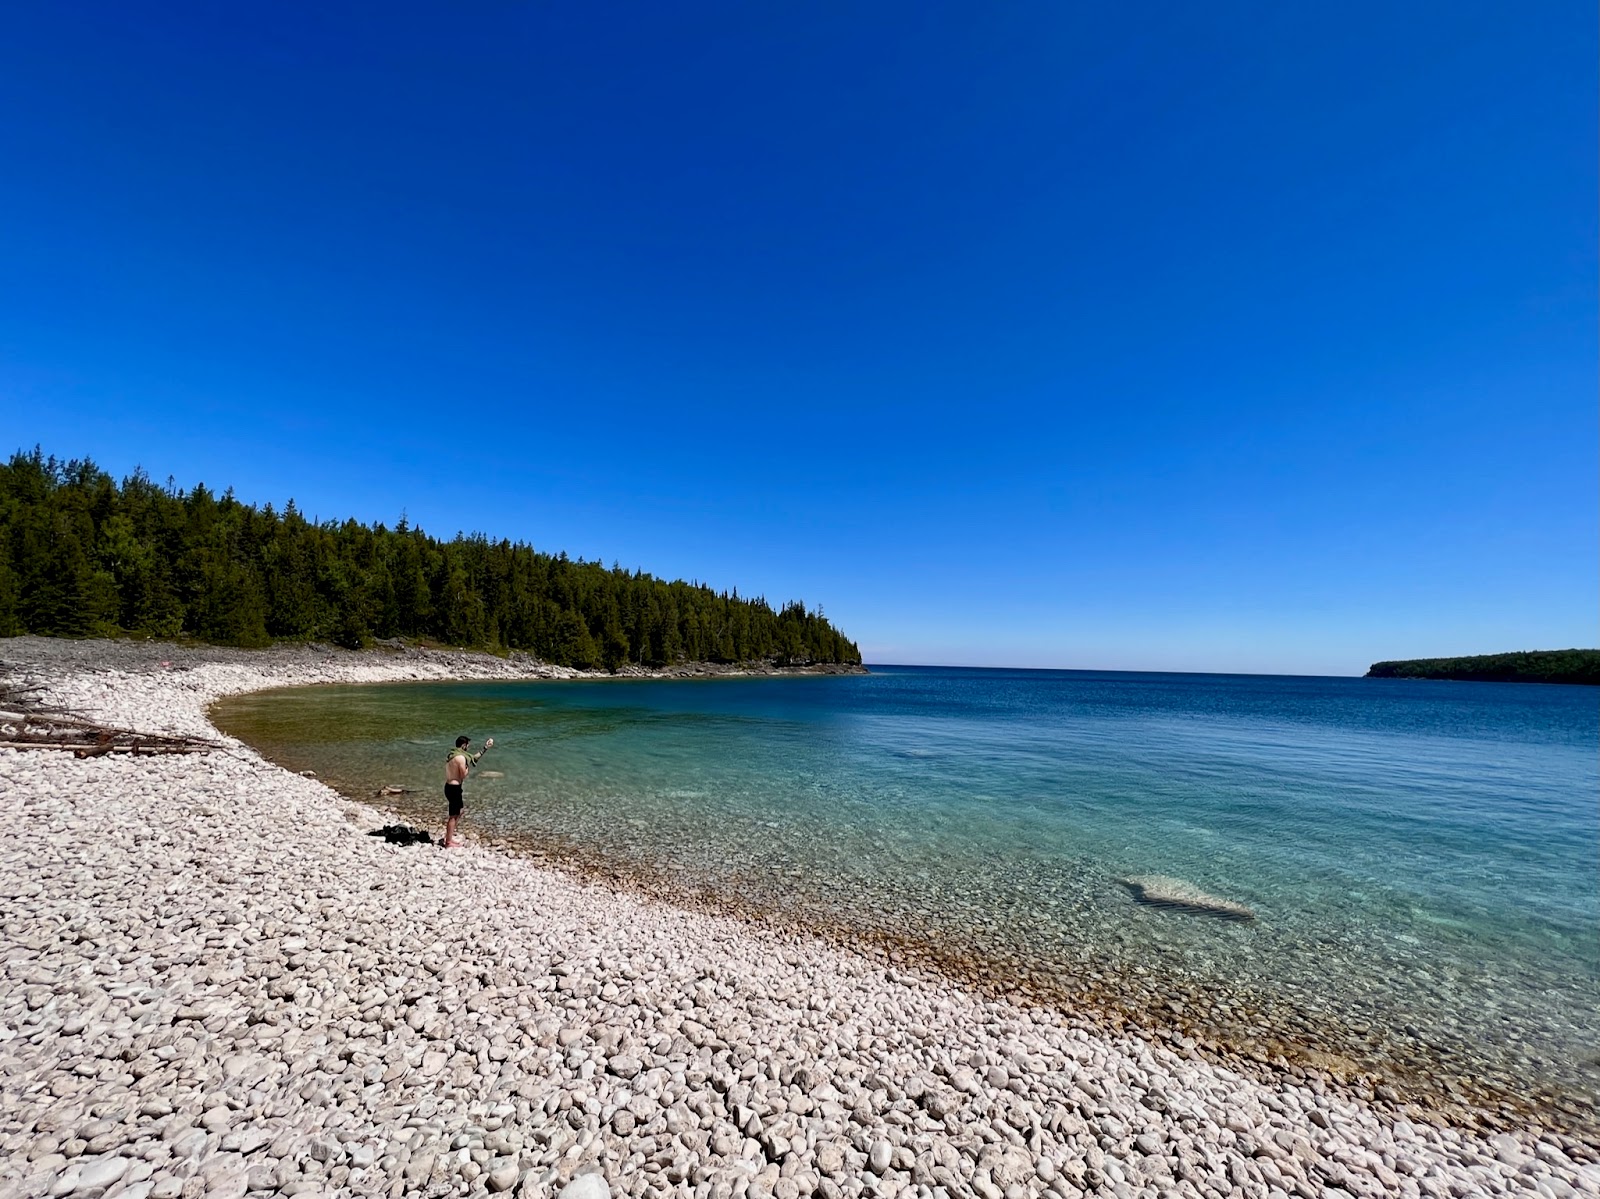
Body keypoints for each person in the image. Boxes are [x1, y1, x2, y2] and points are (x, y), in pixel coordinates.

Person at [443, 734, 492, 848]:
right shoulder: (461, 758)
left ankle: (449, 836)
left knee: (459, 812)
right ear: (464, 745)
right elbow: (463, 774)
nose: (468, 748)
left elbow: (473, 758)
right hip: (454, 788)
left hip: (450, 786)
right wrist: (467, 766)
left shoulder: (453, 754)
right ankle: (448, 842)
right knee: (454, 815)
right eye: (468, 745)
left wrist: (485, 748)